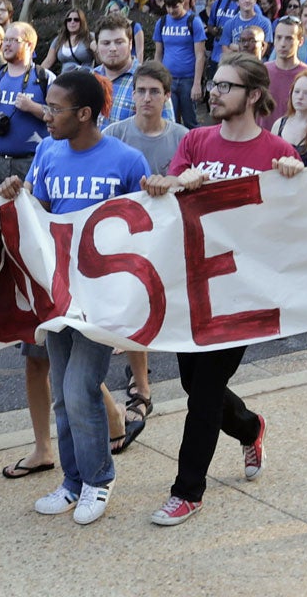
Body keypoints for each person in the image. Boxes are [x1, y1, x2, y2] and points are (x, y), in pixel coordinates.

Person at [0, 70, 172, 526]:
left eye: (55, 108)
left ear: (85, 114)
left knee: (79, 387)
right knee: (61, 391)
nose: (46, 114)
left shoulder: (127, 160)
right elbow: (40, 212)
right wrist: (19, 194)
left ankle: (99, 478)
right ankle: (73, 481)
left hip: (104, 298)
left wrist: (155, 190)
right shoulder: (49, 153)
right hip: (60, 293)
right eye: (47, 106)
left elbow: (145, 229)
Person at [148, 53, 304, 527]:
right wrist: (170, 183)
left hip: (243, 292)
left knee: (206, 390)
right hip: (193, 285)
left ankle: (187, 491)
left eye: (225, 86)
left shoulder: (279, 154)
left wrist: (291, 181)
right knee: (195, 384)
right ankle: (250, 426)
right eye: (213, 84)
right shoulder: (196, 140)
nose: (213, 93)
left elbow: (294, 226)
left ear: (253, 95)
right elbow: (168, 191)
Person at [101, 61, 189, 445]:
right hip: (125, 242)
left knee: (162, 315)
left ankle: (150, 383)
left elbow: (193, 185)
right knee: (133, 313)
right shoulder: (114, 135)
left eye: (155, 91)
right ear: (131, 95)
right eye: (141, 91)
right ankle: (141, 387)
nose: (147, 98)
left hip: (169, 242)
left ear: (167, 97)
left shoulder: (183, 137)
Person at [0, 22, 54, 189]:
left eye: (13, 40)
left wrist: (33, 107)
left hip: (29, 164)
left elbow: (58, 115)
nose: (6, 44)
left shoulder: (44, 78)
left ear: (29, 45)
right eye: (5, 40)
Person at [153, 0, 206, 128]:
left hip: (188, 79)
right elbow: (158, 53)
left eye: (175, 6)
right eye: (168, 7)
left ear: (183, 2)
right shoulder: (162, 22)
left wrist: (197, 83)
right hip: (168, 78)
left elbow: (200, 55)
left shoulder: (193, 22)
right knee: (170, 121)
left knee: (190, 121)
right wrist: (157, 78)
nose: (171, 10)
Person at [261, 16, 307, 130]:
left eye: (289, 38)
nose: (283, 43)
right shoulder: (261, 72)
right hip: (262, 139)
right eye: (279, 37)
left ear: (300, 41)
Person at [40, 8, 95, 74]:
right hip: (64, 79)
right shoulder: (59, 40)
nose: (72, 22)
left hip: (85, 77)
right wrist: (36, 74)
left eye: (76, 20)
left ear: (82, 22)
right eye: (69, 20)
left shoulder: (90, 37)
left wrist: (95, 48)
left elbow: (100, 59)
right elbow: (48, 61)